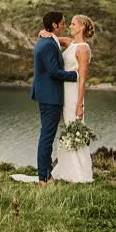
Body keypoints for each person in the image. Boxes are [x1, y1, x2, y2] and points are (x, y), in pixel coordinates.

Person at [21, 11, 77, 185]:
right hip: (50, 96)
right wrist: (75, 75)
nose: (65, 25)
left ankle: (47, 174)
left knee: (47, 136)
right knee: (46, 137)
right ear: (54, 25)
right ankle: (42, 178)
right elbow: (53, 72)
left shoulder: (47, 40)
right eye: (62, 23)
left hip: (47, 94)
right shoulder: (47, 45)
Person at [52, 14, 95, 183]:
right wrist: (45, 32)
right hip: (63, 92)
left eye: (73, 24)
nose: (70, 26)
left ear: (82, 27)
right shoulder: (71, 43)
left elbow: (83, 79)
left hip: (74, 95)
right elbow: (55, 38)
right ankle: (66, 169)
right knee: (66, 130)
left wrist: (80, 105)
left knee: (74, 130)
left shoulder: (83, 49)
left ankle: (79, 172)